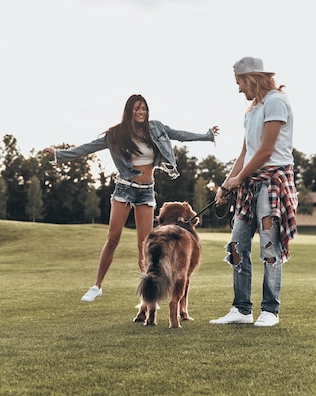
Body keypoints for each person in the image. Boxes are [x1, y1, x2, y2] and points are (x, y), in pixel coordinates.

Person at [43, 94, 219, 302]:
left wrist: (207, 136)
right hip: (125, 188)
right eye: (137, 109)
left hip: (146, 190)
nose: (141, 112)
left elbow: (180, 134)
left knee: (144, 244)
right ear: (129, 111)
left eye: (144, 108)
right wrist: (59, 154)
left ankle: (148, 297)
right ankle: (97, 285)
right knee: (112, 239)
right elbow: (89, 148)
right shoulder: (117, 134)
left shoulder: (156, 128)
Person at [209, 57, 297, 327]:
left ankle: (270, 311)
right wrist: (226, 184)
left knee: (270, 247)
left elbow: (266, 151)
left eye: (239, 83)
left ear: (250, 79)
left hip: (273, 181)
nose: (238, 89)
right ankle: (242, 309)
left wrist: (239, 179)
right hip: (249, 182)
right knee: (237, 245)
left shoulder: (276, 102)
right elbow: (246, 152)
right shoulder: (252, 110)